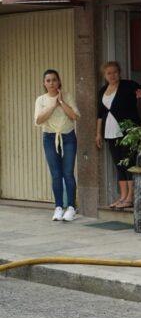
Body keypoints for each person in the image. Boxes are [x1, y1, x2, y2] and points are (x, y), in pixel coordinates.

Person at [95, 61, 141, 209]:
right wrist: (98, 134)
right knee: (119, 164)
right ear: (105, 76)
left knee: (129, 163)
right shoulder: (102, 91)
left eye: (115, 72)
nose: (112, 75)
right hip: (110, 132)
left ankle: (130, 197)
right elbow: (100, 114)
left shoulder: (128, 85)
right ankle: (122, 197)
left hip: (128, 131)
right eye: (109, 73)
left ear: (119, 73)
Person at [34, 69, 80, 222]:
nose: (51, 83)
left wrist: (61, 102)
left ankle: (71, 207)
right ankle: (58, 207)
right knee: (56, 174)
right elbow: (39, 120)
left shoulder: (67, 96)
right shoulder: (41, 100)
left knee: (67, 172)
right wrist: (53, 105)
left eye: (54, 80)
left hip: (67, 136)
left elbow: (74, 116)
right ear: (44, 83)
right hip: (49, 137)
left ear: (59, 81)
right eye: (48, 80)